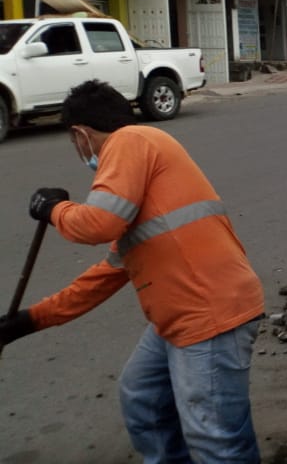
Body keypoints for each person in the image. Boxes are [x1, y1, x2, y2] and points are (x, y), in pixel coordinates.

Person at [0, 79, 265, 462]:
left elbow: (96, 224)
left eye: (74, 143)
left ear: (80, 134)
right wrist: (31, 320)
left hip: (209, 314)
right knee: (144, 398)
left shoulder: (130, 140)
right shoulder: (141, 187)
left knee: (217, 441)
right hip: (180, 314)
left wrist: (53, 209)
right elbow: (104, 276)